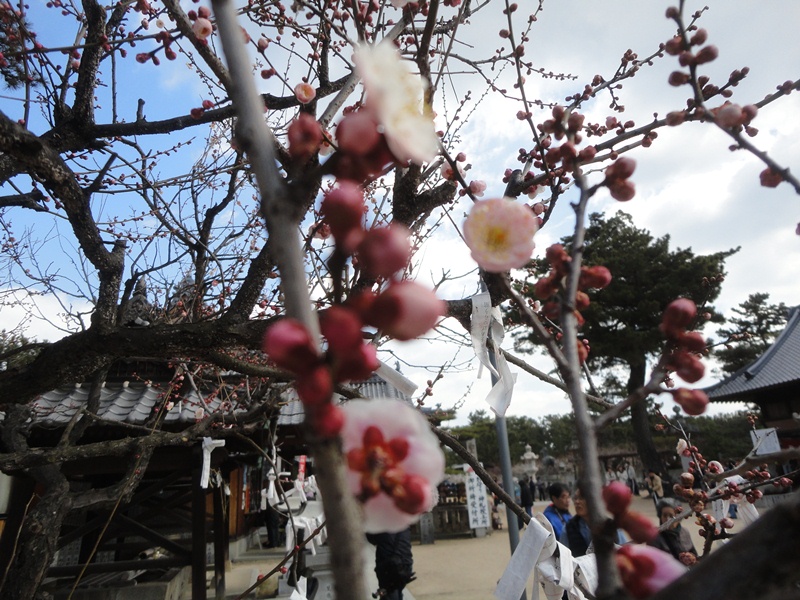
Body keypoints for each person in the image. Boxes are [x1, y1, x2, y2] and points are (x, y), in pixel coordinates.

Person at [559, 488, 627, 556]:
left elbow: (625, 552)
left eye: (582, 498)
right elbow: (563, 558)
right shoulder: (568, 529)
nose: (577, 502)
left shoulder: (611, 527)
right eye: (575, 498)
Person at [366, 528, 415, 599]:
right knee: (397, 590)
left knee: (390, 594)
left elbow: (371, 539)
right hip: (405, 564)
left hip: (389, 566)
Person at [648, 499, 697, 566]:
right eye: (664, 516)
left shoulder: (685, 532)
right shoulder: (654, 537)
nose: (668, 519)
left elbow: (695, 556)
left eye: (671, 516)